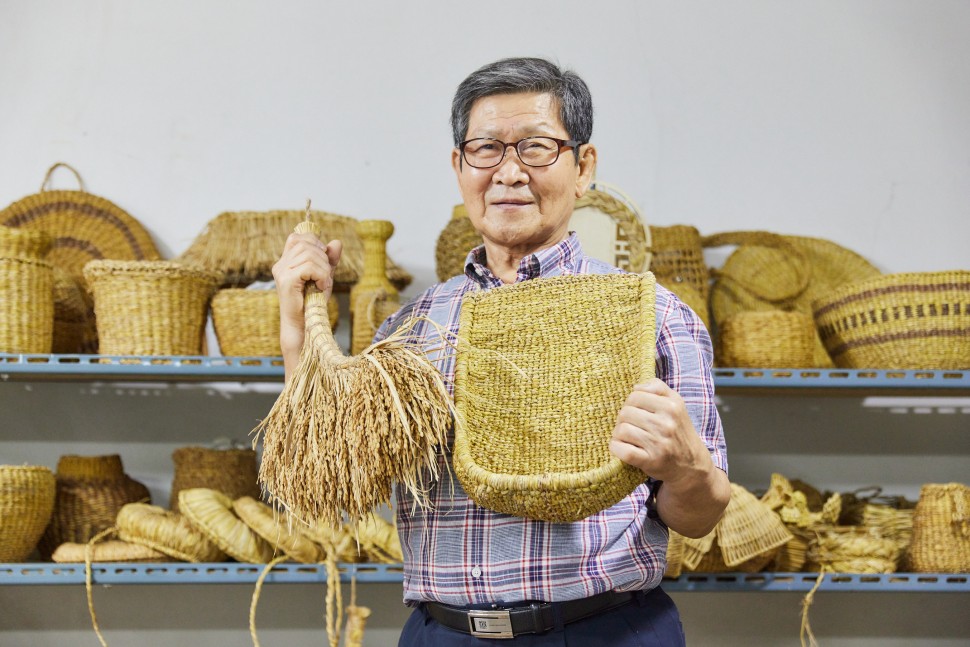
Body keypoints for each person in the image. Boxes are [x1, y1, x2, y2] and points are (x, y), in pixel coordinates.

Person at [273, 57, 730, 646]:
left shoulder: (654, 317)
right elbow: (328, 478)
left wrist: (686, 465)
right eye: (486, 148)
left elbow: (698, 517)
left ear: (583, 166)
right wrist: (298, 319)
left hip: (605, 630)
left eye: (537, 148)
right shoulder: (410, 330)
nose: (510, 173)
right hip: (442, 634)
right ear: (459, 166)